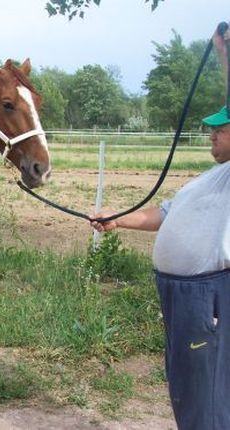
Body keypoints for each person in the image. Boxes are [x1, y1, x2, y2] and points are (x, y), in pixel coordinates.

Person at [91, 27, 229, 430]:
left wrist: (224, 57)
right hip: (182, 296)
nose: (212, 134)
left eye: (221, 128)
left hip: (208, 296)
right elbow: (165, 215)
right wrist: (118, 219)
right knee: (187, 387)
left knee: (207, 392)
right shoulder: (209, 179)